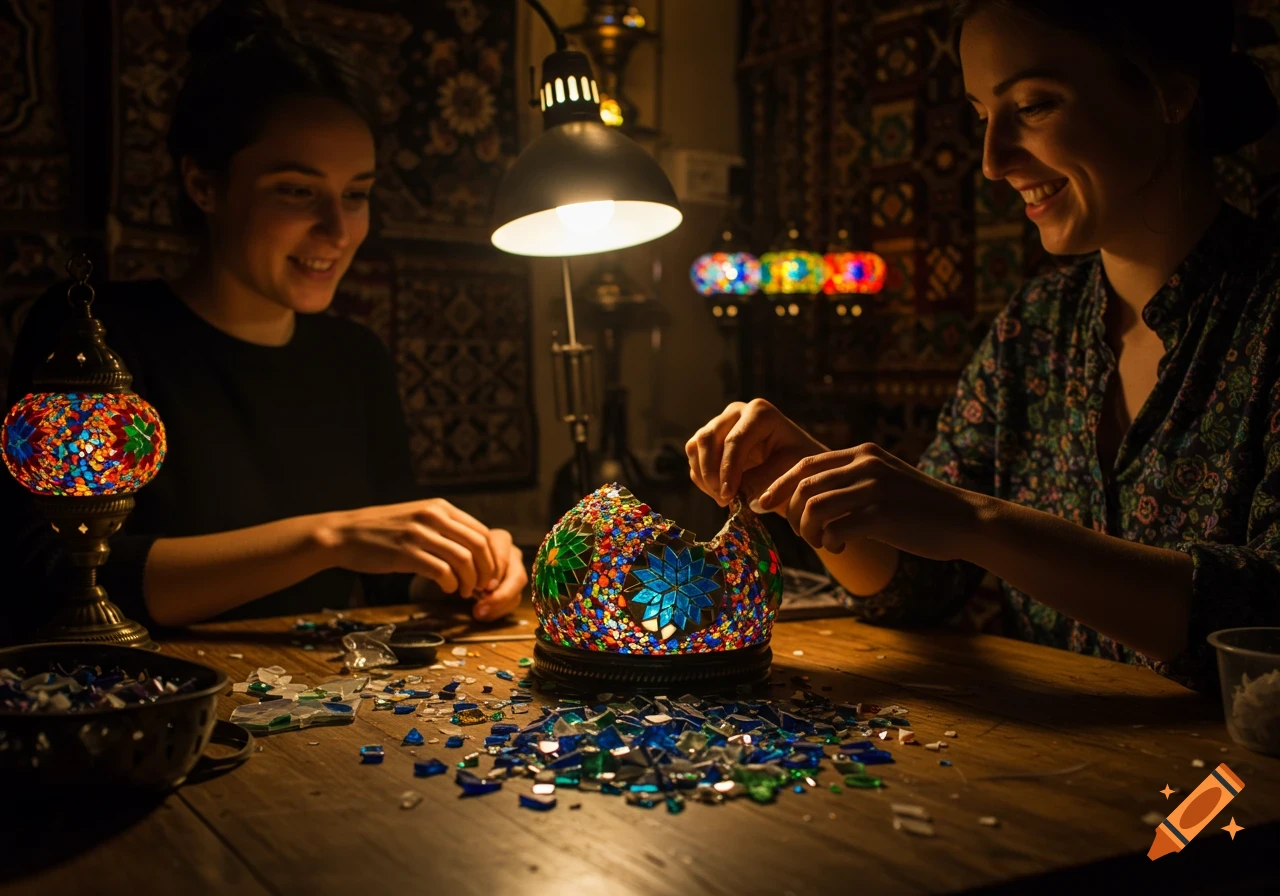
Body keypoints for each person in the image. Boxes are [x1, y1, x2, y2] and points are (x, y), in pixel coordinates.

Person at [686, 0, 1280, 692]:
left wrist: (978, 523)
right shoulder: (1034, 327)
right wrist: (811, 480)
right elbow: (918, 587)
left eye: (1032, 106)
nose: (993, 162)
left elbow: (1263, 612)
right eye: (980, 117)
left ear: (1170, 91)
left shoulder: (1265, 312)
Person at [1, 0, 527, 630]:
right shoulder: (95, 335)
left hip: (321, 690)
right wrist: (327, 538)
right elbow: (54, 577)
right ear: (204, 185)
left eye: (356, 194)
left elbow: (386, 568)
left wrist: (466, 568)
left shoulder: (353, 357)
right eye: (297, 191)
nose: (338, 231)